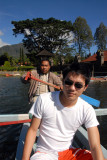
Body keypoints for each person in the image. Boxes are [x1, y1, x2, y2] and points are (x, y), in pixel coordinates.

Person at [22, 62, 107, 160]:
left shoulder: (87, 110)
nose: (72, 88)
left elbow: (95, 145)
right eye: (68, 83)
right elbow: (32, 130)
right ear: (63, 81)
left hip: (68, 152)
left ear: (85, 87)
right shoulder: (44, 100)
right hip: (44, 153)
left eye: (78, 85)